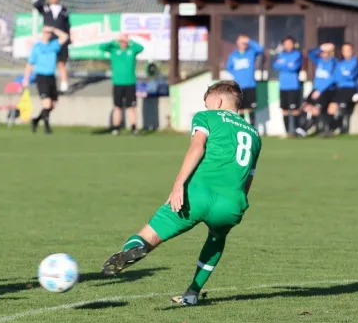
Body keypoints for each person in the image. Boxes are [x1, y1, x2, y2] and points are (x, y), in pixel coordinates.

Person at [101, 80, 262, 306]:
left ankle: (132, 250)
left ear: (217, 101)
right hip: (232, 203)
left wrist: (178, 184)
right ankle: (192, 292)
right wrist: (241, 201)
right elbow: (249, 175)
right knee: (217, 238)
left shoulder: (206, 117)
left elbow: (198, 147)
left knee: (149, 236)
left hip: (197, 195)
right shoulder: (254, 133)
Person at [22, 26, 69, 134]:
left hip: (51, 77)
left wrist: (54, 29)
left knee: (53, 104)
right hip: (41, 76)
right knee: (46, 103)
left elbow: (65, 37)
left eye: (49, 33)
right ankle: (47, 128)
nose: (47, 34)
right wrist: (26, 79)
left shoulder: (54, 45)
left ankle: (36, 120)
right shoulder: (37, 47)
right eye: (46, 32)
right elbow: (29, 64)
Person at [99, 34, 144, 135]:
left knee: (131, 107)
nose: (123, 43)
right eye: (121, 41)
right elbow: (102, 47)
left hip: (130, 83)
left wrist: (130, 41)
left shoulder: (132, 49)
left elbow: (141, 48)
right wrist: (114, 41)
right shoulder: (114, 49)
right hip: (118, 83)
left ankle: (133, 128)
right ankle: (116, 128)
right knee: (117, 106)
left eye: (124, 41)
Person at [33, 0, 71, 93]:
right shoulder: (46, 8)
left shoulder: (64, 10)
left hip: (61, 40)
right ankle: (48, 84)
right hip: (49, 41)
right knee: (49, 62)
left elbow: (67, 26)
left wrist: (69, 39)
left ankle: (64, 85)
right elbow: (36, 4)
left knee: (61, 63)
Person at [295, 43, 337, 137]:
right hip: (316, 89)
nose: (323, 54)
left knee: (317, 109)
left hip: (327, 90)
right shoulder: (319, 61)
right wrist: (321, 47)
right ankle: (303, 128)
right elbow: (311, 54)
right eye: (322, 52)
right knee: (305, 106)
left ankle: (313, 129)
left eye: (325, 52)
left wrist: (320, 90)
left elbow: (333, 78)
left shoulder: (334, 62)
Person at [227, 34, 264, 126]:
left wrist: (249, 40)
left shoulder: (251, 52)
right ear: (237, 42)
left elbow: (260, 49)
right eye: (241, 41)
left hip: (250, 85)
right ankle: (242, 127)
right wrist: (237, 74)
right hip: (239, 86)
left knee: (251, 108)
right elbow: (229, 67)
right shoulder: (233, 55)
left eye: (244, 42)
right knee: (241, 108)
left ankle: (252, 128)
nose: (243, 43)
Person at [327, 43, 358, 135]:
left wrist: (342, 76)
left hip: (351, 88)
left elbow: (350, 76)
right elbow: (335, 77)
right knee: (331, 107)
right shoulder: (340, 64)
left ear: (352, 51)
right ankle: (331, 129)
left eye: (348, 50)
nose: (346, 53)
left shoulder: (355, 62)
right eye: (344, 51)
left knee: (341, 106)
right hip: (340, 88)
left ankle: (337, 128)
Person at [272, 36, 303, 135]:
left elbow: (294, 67)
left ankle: (296, 130)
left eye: (289, 43)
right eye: (285, 43)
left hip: (293, 86)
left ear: (293, 44)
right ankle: (287, 132)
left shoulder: (297, 54)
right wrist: (287, 65)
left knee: (295, 110)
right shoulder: (281, 55)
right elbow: (275, 66)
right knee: (284, 110)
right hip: (283, 86)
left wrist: (283, 65)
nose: (287, 45)